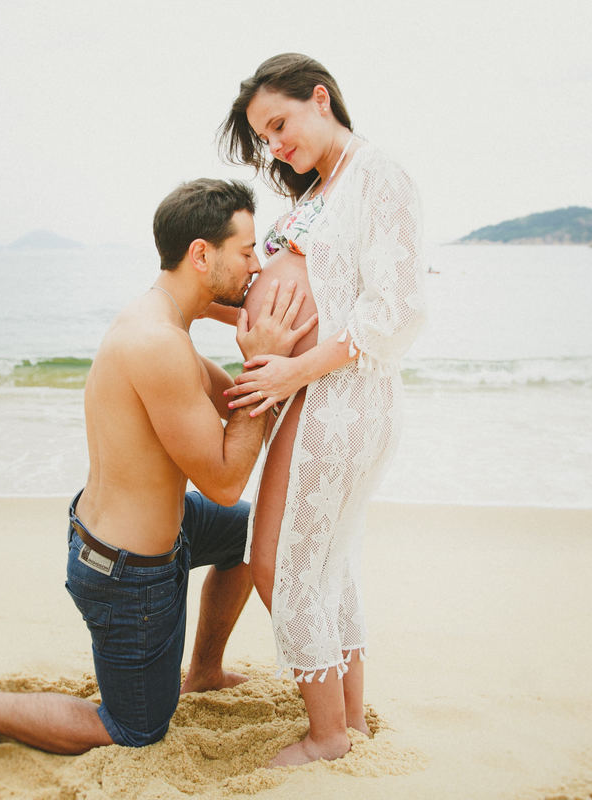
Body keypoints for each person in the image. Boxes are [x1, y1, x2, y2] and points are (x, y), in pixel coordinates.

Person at [0, 178, 317, 760]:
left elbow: (231, 403)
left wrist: (262, 352)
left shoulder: (164, 320)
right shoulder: (156, 343)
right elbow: (223, 476)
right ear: (201, 254)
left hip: (158, 526)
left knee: (246, 532)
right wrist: (266, 361)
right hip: (126, 572)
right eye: (247, 252)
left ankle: (204, 670)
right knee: (135, 729)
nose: (256, 268)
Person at [216, 53, 427, 767]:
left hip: (340, 396)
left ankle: (327, 736)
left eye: (279, 124)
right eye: (265, 139)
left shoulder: (377, 174)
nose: (275, 146)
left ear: (320, 97)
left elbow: (396, 312)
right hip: (317, 393)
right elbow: (301, 295)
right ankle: (351, 721)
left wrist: (291, 373)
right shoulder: (323, 189)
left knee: (276, 561)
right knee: (326, 564)